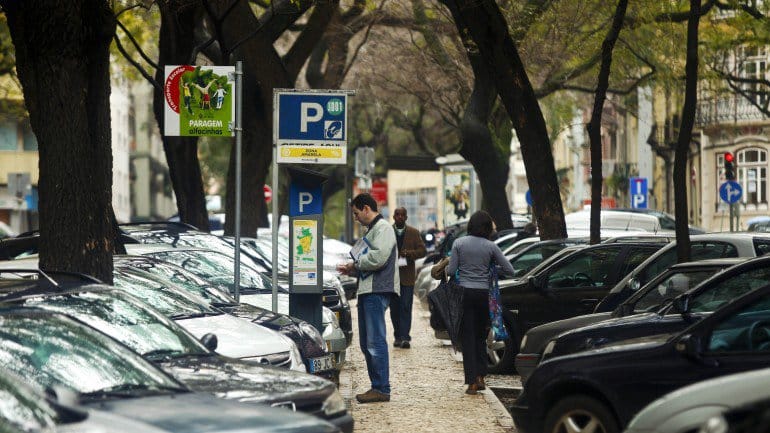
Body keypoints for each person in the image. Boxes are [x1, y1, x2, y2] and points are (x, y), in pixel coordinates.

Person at [337, 193, 399, 404]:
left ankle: (381, 388)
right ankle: (376, 386)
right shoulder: (373, 230)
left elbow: (378, 257)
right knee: (366, 342)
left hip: (376, 290)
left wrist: (356, 264)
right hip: (367, 290)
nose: (355, 218)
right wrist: (352, 268)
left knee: (375, 340)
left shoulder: (383, 229)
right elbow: (370, 260)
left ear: (366, 208)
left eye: (356, 213)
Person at [446, 210, 515, 395]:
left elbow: (451, 271)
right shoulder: (491, 247)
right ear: (487, 227)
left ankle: (471, 383)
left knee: (467, 338)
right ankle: (481, 377)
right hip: (484, 295)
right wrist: (491, 268)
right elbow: (510, 270)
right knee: (480, 337)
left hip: (464, 294)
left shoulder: (459, 243)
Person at [389, 207, 426, 349]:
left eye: (402, 215)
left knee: (406, 306)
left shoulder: (414, 232)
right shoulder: (387, 231)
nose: (399, 217)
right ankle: (397, 336)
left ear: (406, 217)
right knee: (394, 308)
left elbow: (423, 251)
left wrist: (409, 253)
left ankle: (405, 337)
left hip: (407, 277)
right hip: (391, 277)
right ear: (393, 217)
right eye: (397, 214)